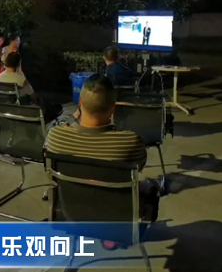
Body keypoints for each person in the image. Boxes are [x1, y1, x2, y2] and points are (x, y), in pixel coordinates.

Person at [45, 75, 160, 248]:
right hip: (117, 220)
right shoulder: (130, 141)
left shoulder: (56, 136)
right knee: (150, 187)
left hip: (71, 215)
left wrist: (75, 117)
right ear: (113, 109)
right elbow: (140, 166)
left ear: (80, 103)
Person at [0, 52, 63, 124]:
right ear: (18, 64)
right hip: (21, 111)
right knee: (53, 107)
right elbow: (33, 96)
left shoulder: (0, 77)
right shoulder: (20, 80)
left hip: (5, 110)